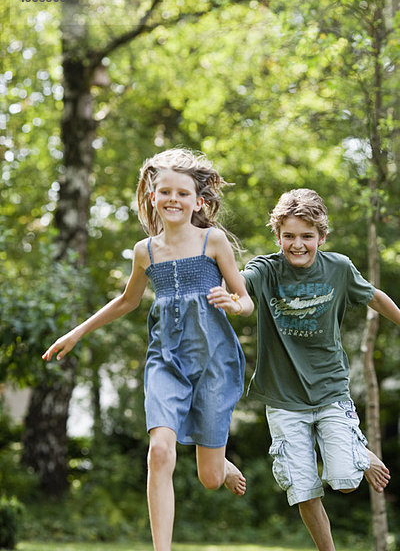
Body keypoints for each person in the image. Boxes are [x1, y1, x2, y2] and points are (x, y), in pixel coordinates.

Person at [42, 148, 253, 551]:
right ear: (152, 196)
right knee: (159, 452)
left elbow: (246, 299)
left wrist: (234, 304)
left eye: (183, 193)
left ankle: (220, 466)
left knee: (208, 478)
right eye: (165, 192)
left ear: (198, 201)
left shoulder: (214, 240)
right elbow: (126, 301)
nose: (174, 199)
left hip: (213, 361)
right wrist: (77, 332)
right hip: (166, 361)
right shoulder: (146, 251)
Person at [241, 188, 399, 551]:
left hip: (330, 391)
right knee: (303, 488)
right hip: (282, 398)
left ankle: (359, 450)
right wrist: (230, 299)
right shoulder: (265, 270)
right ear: (278, 235)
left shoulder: (339, 269)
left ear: (321, 237)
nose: (298, 244)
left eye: (307, 236)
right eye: (289, 236)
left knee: (345, 481)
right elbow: (240, 286)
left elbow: (374, 296)